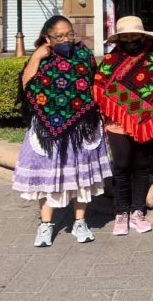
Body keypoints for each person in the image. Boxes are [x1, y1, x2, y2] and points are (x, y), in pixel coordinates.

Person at [13, 16, 111, 247]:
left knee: (81, 178)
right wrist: (37, 56)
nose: (66, 39)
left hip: (81, 126)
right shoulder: (41, 57)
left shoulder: (83, 54)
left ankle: (80, 221)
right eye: (59, 36)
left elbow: (94, 84)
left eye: (69, 34)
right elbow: (26, 85)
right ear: (47, 37)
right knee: (48, 177)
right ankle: (46, 225)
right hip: (48, 129)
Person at [93, 16, 153, 235]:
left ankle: (138, 211)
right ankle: (121, 212)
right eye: (125, 36)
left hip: (149, 120)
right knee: (122, 166)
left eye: (134, 35)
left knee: (142, 167)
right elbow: (99, 87)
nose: (130, 39)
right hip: (117, 123)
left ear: (142, 35)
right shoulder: (110, 59)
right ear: (119, 38)